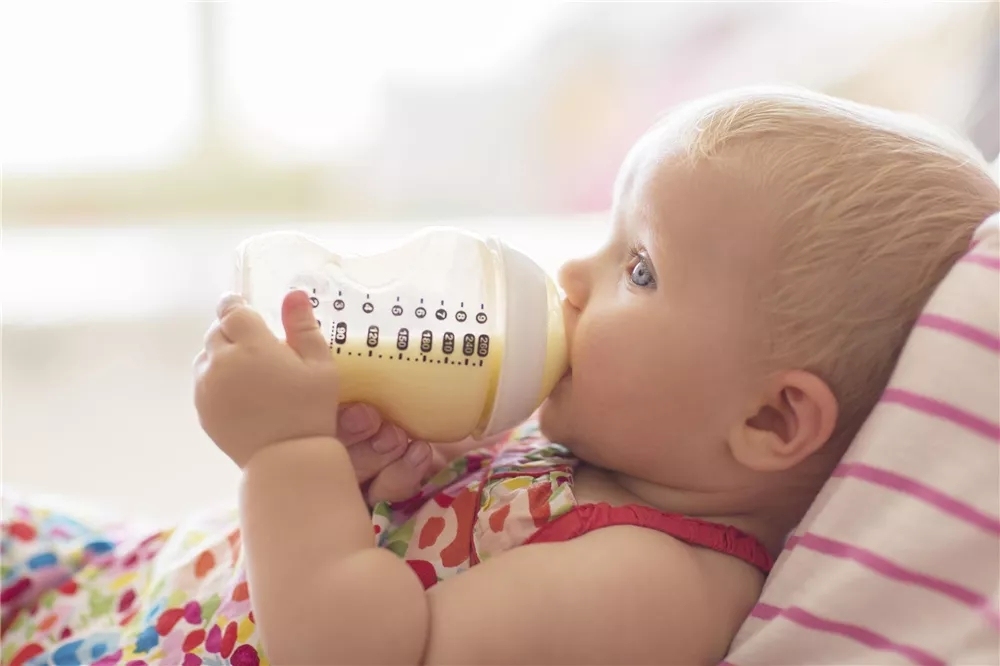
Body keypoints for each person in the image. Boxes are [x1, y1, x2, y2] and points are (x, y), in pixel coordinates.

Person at [3, 87, 998, 666]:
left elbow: (357, 650)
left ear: (772, 419)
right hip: (119, 578)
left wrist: (286, 452)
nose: (572, 275)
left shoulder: (660, 584)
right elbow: (398, 550)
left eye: (637, 267)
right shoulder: (592, 456)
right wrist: (382, 474)